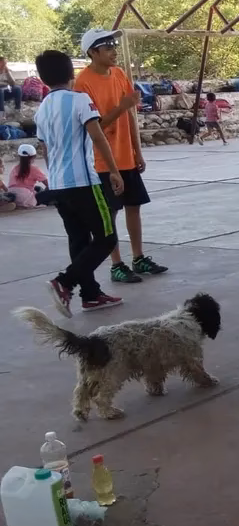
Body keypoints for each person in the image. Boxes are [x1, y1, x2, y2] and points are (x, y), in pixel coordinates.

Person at [73, 28, 168, 284]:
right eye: (108, 47)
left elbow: (130, 115)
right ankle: (116, 264)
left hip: (125, 156)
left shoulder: (119, 74)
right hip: (104, 160)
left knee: (133, 207)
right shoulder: (82, 84)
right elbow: (95, 126)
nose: (114, 51)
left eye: (114, 45)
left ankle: (139, 257)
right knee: (110, 213)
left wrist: (137, 150)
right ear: (93, 52)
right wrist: (122, 107)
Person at [35, 50, 125, 316]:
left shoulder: (42, 109)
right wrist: (114, 171)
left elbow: (46, 150)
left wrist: (54, 179)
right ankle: (64, 282)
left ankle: (90, 294)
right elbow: (98, 137)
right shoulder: (80, 100)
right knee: (107, 238)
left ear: (43, 78)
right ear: (71, 73)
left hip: (60, 183)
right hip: (84, 182)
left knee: (78, 240)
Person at [7, 143, 48, 209]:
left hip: (13, 195)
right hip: (26, 197)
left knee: (37, 188)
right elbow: (48, 184)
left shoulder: (14, 168)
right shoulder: (34, 169)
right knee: (50, 192)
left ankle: (16, 203)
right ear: (34, 156)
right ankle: (30, 202)